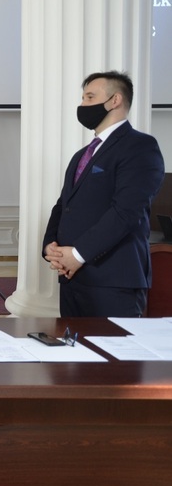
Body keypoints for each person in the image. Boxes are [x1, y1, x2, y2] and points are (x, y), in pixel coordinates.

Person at [43, 71, 164, 318]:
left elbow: (126, 212)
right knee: (74, 356)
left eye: (89, 97)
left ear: (115, 100)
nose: (82, 105)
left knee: (115, 356)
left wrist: (77, 255)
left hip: (113, 281)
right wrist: (50, 247)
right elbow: (63, 204)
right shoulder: (82, 154)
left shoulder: (140, 147)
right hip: (72, 278)